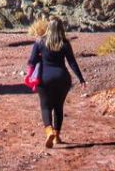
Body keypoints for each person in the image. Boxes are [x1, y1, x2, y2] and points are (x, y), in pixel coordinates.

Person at [27, 17, 86, 148]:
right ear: (61, 28)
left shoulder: (40, 42)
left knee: (46, 106)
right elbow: (72, 62)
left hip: (45, 78)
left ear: (48, 27)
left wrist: (30, 76)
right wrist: (81, 78)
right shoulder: (64, 43)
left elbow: (32, 61)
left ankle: (49, 131)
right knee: (58, 107)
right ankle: (57, 136)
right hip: (62, 78)